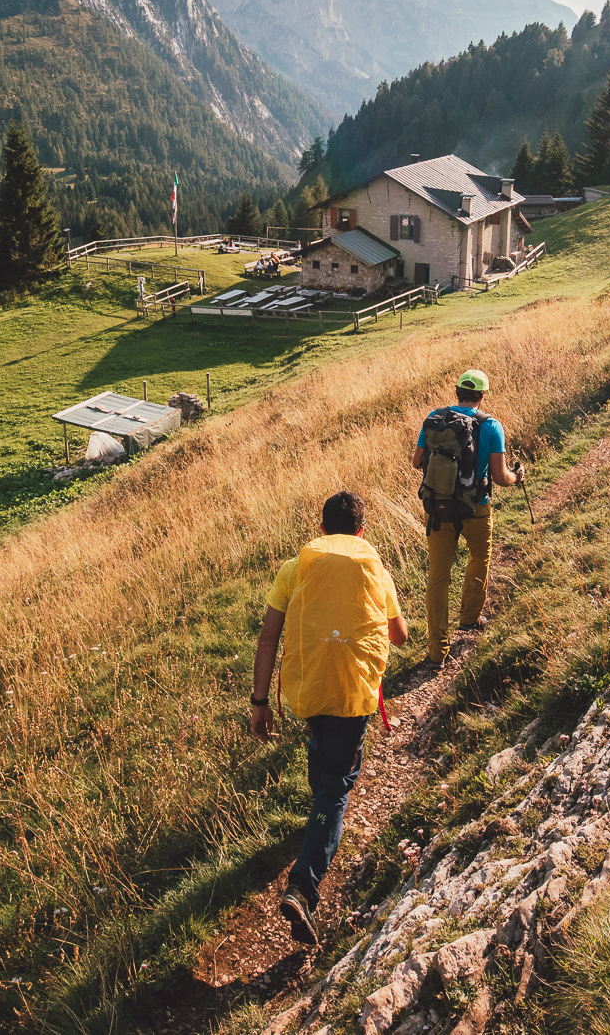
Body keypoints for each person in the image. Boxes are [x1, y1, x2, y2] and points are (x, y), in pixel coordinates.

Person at [249, 490, 408, 947]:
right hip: (354, 690)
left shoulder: (294, 568)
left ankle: (315, 824)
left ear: (320, 529)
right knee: (337, 784)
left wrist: (260, 702)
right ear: (362, 532)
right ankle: (304, 885)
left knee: (321, 749)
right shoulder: (375, 569)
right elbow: (399, 636)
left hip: (308, 684)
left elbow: (267, 639)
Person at [411, 369, 525, 664]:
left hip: (437, 509)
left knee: (437, 577)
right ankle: (470, 618)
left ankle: (437, 651)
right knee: (479, 556)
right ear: (482, 395)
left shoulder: (434, 419)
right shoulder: (491, 426)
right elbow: (500, 477)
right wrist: (517, 476)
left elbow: (416, 462)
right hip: (475, 508)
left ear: (456, 391)